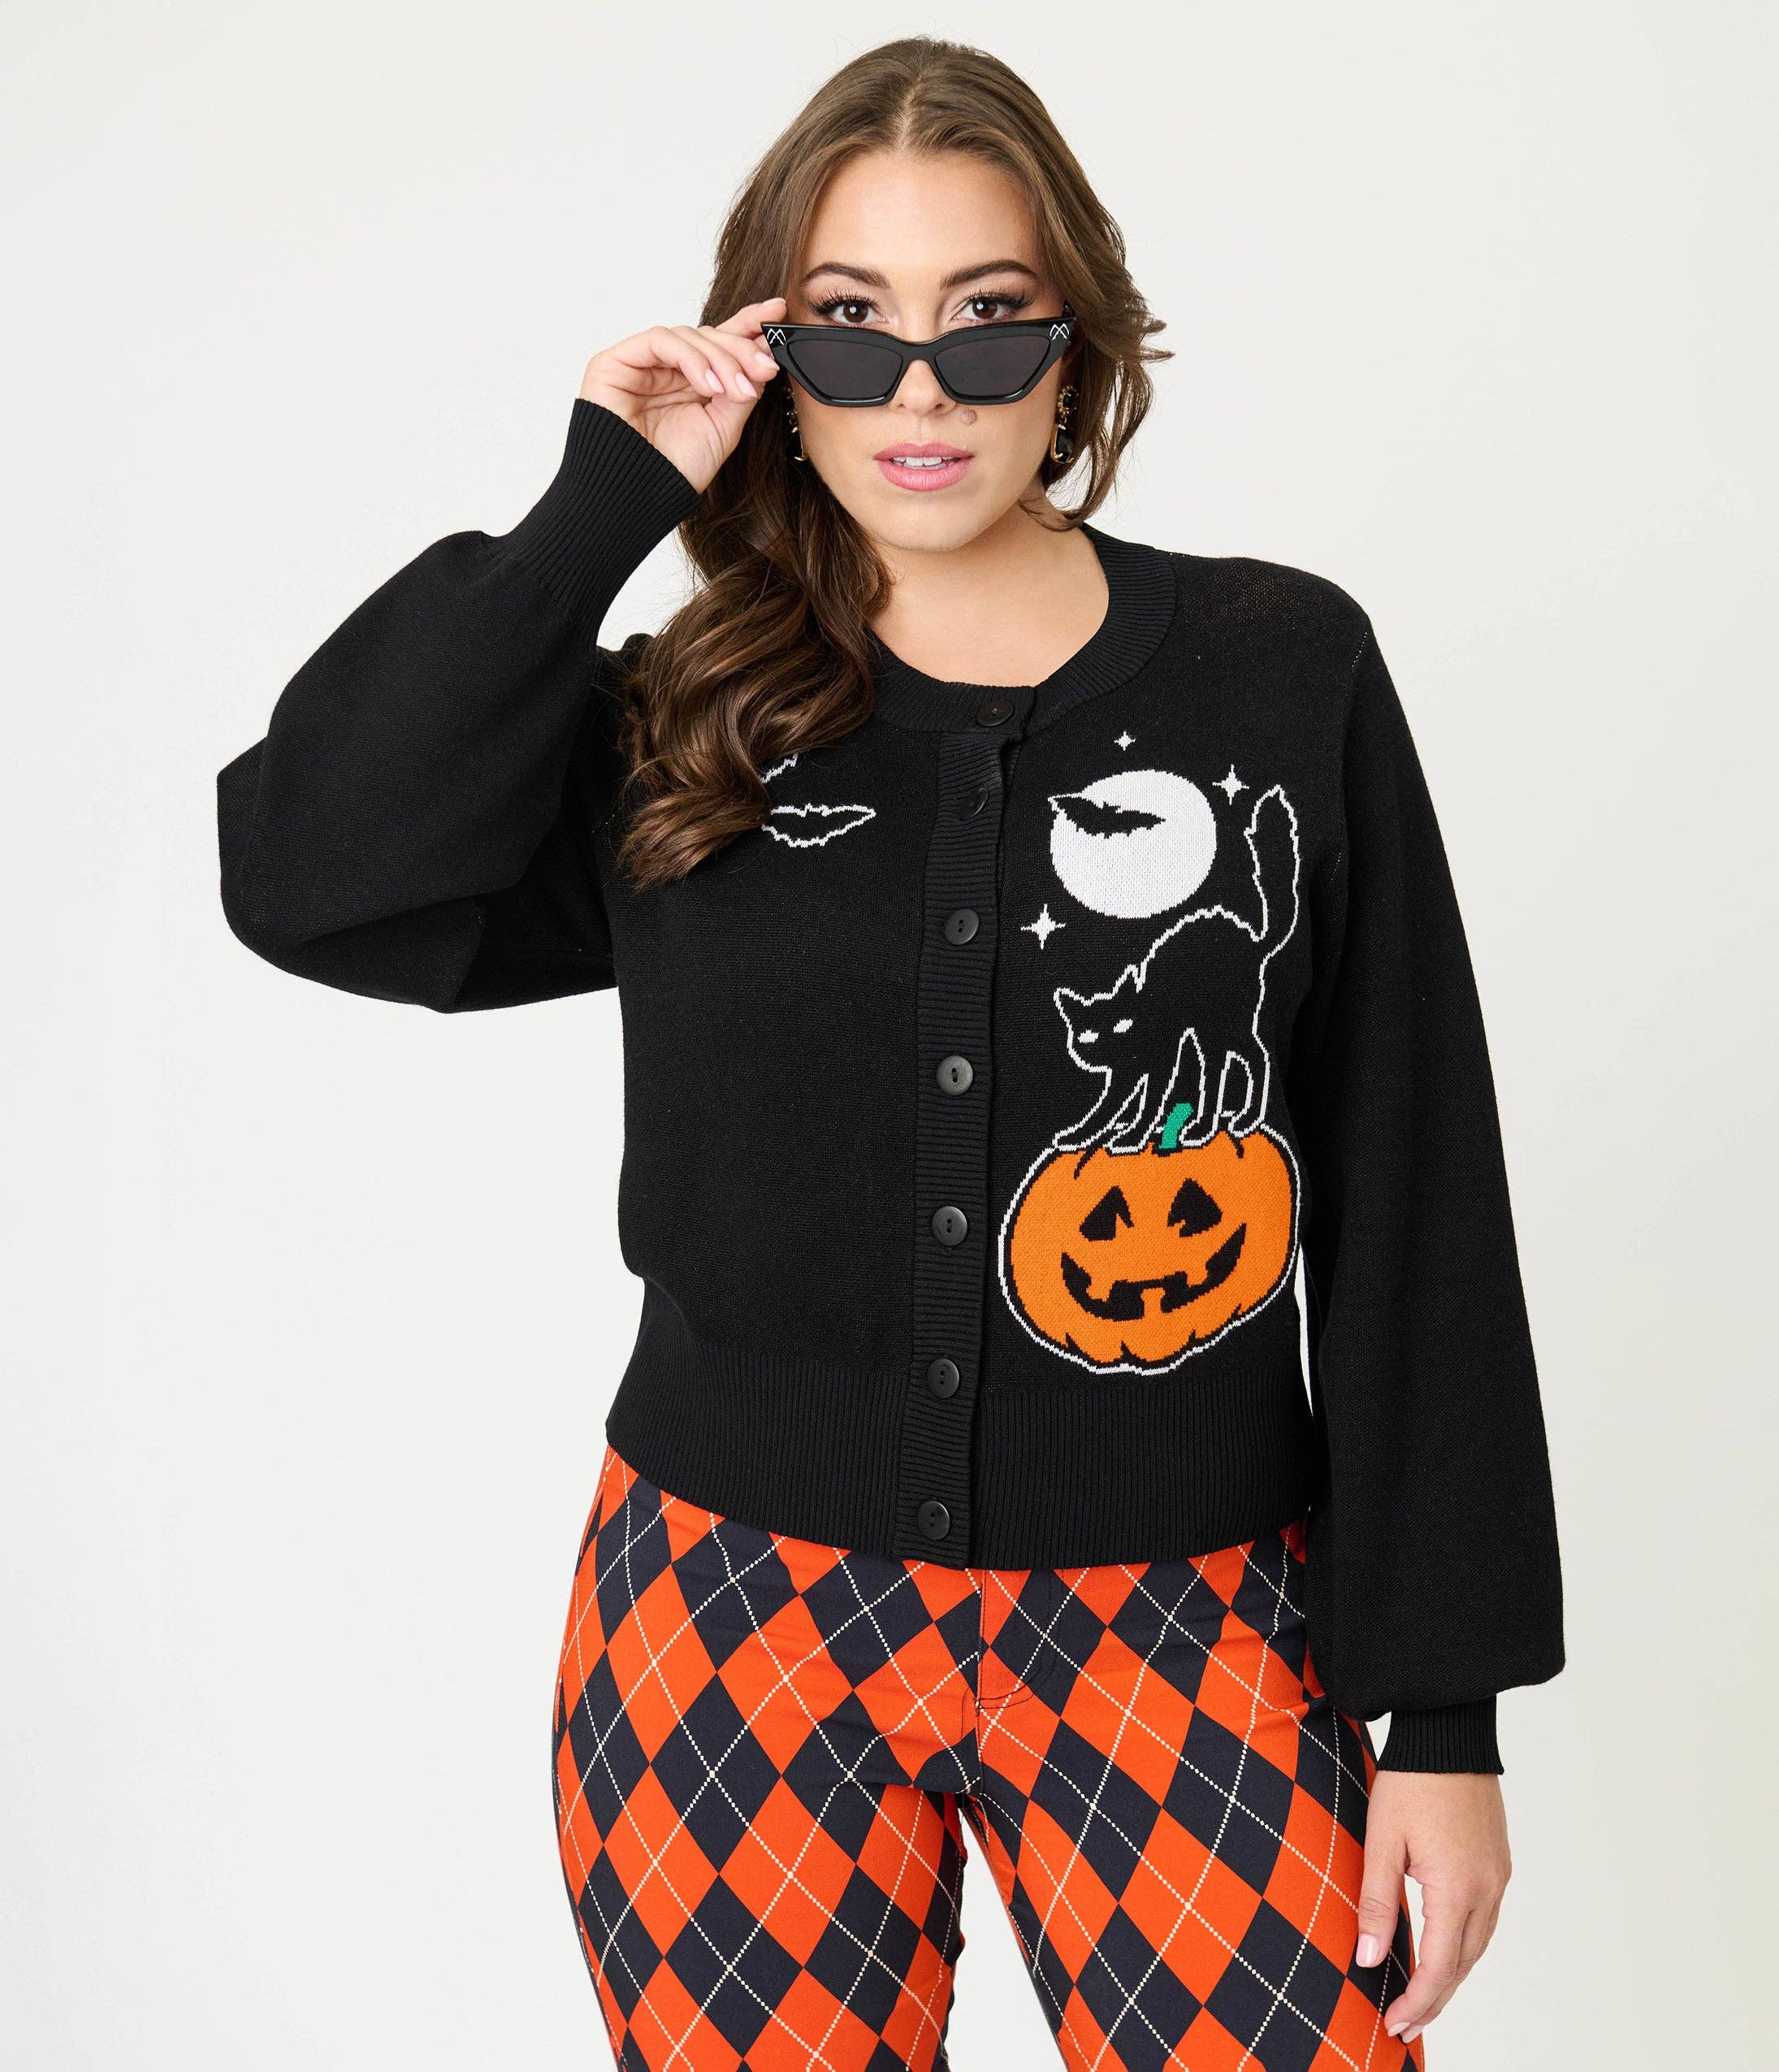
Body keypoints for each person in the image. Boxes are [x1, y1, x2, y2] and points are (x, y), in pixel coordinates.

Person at [214, 34, 1563, 2072]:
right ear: (773, 361)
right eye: (850, 329)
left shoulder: (1279, 670)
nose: (920, 392)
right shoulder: (694, 717)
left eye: (986, 322)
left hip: (1186, 1620)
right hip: (725, 1626)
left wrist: (1444, 1717)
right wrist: (601, 503)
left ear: (1074, 349)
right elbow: (307, 871)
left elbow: (1414, 1180)